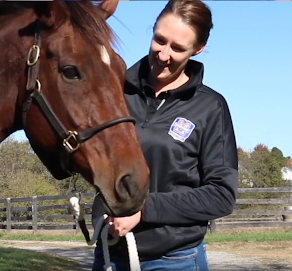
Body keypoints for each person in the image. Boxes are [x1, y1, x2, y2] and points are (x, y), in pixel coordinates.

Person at [91, 0, 238, 270]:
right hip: (110, 256)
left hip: (174, 260)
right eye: (159, 40)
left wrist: (143, 209)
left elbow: (221, 195)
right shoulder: (114, 89)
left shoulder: (210, 108)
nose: (163, 54)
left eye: (178, 48)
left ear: (198, 49)